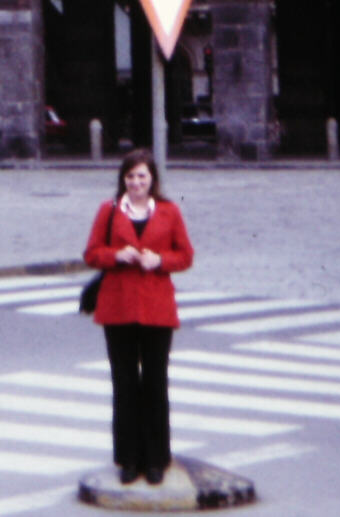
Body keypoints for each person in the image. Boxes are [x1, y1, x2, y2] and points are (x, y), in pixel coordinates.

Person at [83, 149, 194, 486]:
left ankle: (157, 459)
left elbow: (185, 255)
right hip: (118, 309)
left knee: (156, 384)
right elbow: (91, 254)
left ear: (152, 180)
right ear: (123, 180)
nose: (136, 183)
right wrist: (117, 255)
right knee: (125, 384)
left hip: (157, 309)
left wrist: (159, 260)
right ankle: (129, 459)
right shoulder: (109, 211)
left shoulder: (169, 212)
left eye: (142, 177)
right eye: (130, 177)